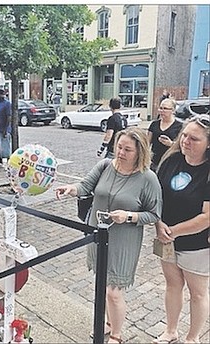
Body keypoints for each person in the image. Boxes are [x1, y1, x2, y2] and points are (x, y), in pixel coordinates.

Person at [55, 128, 162, 344]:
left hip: (124, 240)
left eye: (127, 150)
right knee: (103, 285)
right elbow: (85, 186)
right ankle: (108, 323)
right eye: (119, 147)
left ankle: (117, 335)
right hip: (98, 235)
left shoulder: (148, 178)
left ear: (139, 152)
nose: (121, 153)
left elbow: (154, 214)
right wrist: (71, 188)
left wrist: (129, 216)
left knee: (114, 292)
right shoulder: (105, 165)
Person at [152, 114, 210, 344]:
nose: (185, 141)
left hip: (196, 244)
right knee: (172, 284)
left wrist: (174, 231)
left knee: (197, 292)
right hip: (165, 237)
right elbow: (154, 196)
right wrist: (158, 223)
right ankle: (171, 330)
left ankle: (192, 337)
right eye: (184, 135)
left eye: (194, 139)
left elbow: (207, 217)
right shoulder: (171, 159)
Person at [147, 98, 182, 172]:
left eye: (165, 108)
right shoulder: (154, 124)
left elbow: (182, 145)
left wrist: (171, 144)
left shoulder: (180, 126)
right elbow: (147, 143)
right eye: (160, 108)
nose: (162, 111)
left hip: (171, 162)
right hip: (154, 162)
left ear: (173, 110)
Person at [0, 89, 11, 167]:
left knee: (5, 146)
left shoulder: (7, 104)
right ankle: (0, 162)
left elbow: (9, 117)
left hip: (4, 129)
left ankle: (8, 162)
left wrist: (5, 129)